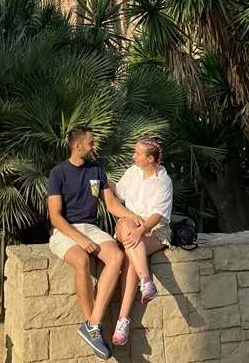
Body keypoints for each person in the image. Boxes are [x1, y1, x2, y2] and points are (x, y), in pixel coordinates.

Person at [47, 125, 144, 361]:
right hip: (65, 231)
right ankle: (94, 329)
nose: (95, 146)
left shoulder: (97, 169)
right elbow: (55, 216)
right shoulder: (58, 173)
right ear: (77, 146)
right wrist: (78, 238)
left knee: (117, 257)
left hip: (91, 228)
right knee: (81, 260)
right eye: (91, 143)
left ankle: (92, 325)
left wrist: (134, 217)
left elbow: (110, 204)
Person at [110, 138, 173, 347]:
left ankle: (123, 321)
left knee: (130, 258)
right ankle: (146, 281)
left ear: (150, 158)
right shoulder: (132, 173)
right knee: (127, 228)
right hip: (129, 225)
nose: (133, 156)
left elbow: (158, 215)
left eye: (137, 154)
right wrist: (100, 178)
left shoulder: (164, 181)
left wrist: (142, 230)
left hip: (154, 229)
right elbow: (118, 192)